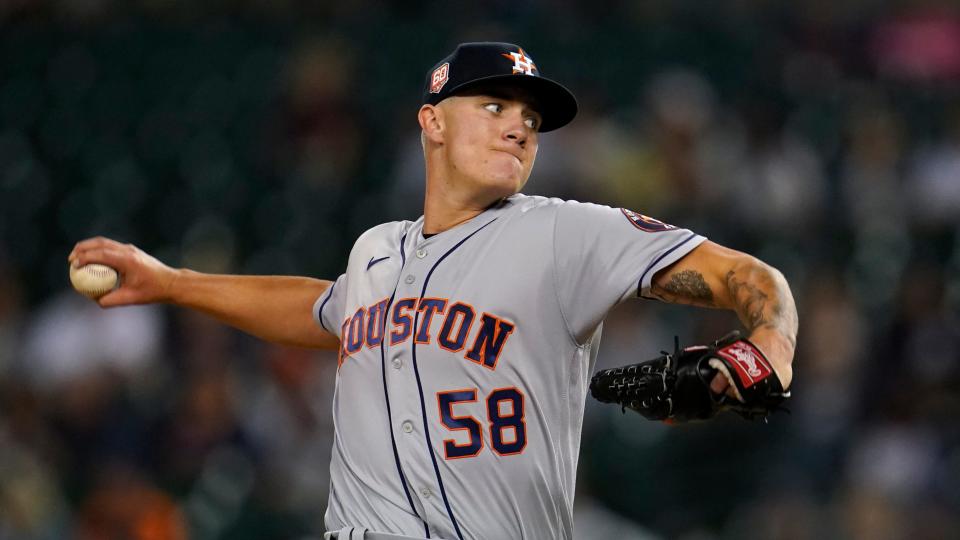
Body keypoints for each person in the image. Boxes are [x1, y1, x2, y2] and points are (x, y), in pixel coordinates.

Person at [69, 42, 798, 540]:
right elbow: (322, 309)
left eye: (532, 120)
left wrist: (766, 355)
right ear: (431, 122)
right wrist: (173, 283)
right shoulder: (377, 249)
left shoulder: (569, 234)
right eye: (495, 106)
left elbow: (751, 279)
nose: (519, 128)